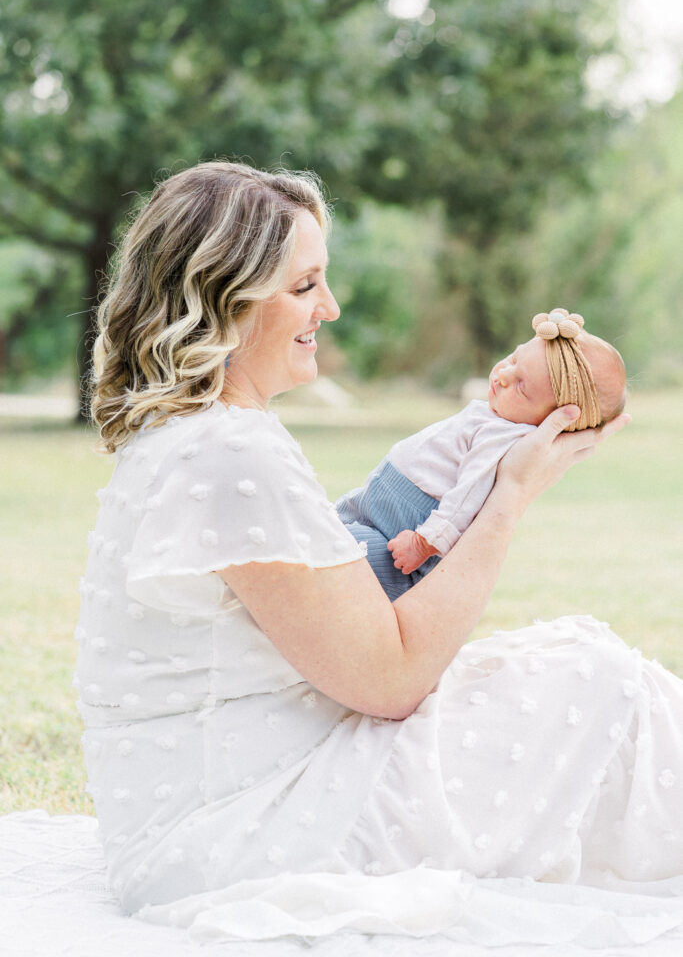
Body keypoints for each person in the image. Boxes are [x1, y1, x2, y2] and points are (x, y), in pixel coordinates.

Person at [78, 160, 683, 948]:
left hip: (218, 809)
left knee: (576, 669)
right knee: (594, 678)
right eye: (304, 287)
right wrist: (507, 496)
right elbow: (392, 681)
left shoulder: (191, 436)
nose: (327, 308)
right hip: (250, 831)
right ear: (226, 294)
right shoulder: (228, 452)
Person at [336, 312, 627, 601]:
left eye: (522, 386)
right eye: (513, 360)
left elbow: (467, 495)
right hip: (379, 500)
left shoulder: (503, 438)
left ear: (555, 419)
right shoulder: (496, 418)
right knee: (320, 532)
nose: (502, 375)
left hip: (405, 523)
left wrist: (424, 543)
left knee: (344, 556)